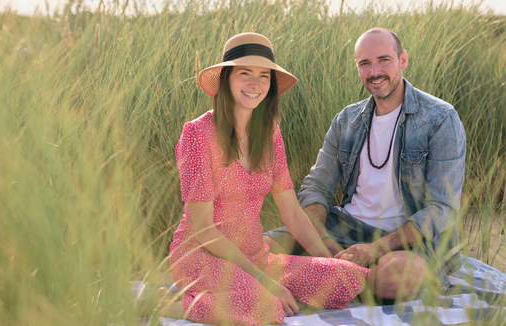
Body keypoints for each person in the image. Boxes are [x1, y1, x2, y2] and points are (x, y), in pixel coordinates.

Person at [161, 33, 371, 325]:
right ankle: (170, 303)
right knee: (265, 307)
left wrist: (327, 257)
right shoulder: (198, 134)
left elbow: (293, 214)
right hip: (203, 258)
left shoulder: (270, 133)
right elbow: (204, 230)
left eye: (264, 76)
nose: (255, 83)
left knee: (347, 279)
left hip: (255, 257)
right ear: (225, 79)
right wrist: (262, 280)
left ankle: (247, 296)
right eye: (244, 73)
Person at [264, 27, 466, 301]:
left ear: (402, 60)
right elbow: (315, 187)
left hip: (406, 241)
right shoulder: (346, 120)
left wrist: (377, 248)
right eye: (364, 63)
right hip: (345, 227)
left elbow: (442, 208)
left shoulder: (441, 119)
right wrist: (323, 239)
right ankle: (340, 277)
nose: (374, 72)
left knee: (398, 279)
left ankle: (326, 281)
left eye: (384, 60)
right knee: (260, 248)